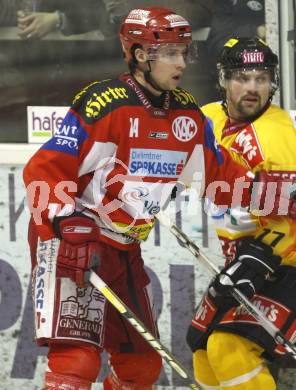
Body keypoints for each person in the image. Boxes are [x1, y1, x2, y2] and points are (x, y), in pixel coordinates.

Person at [22, 8, 264, 390]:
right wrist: (64, 220)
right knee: (77, 359)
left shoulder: (186, 114)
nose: (180, 62)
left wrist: (276, 195)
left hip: (123, 249)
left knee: (142, 366)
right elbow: (44, 170)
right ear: (139, 55)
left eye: (184, 52)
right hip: (73, 241)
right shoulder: (104, 105)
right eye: (169, 53)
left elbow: (220, 176)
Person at [186, 37, 296, 389]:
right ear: (223, 80)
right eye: (243, 77)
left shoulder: (275, 138)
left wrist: (258, 259)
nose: (253, 87)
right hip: (253, 258)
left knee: (229, 346)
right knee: (201, 348)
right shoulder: (209, 118)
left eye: (262, 77)